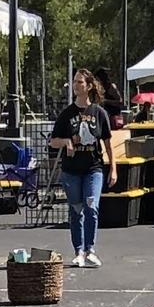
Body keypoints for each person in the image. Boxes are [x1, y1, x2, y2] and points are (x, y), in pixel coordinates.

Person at [49, 70, 112, 265]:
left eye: (80, 82)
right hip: (72, 170)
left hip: (94, 168)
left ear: (89, 86)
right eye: (74, 82)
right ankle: (79, 251)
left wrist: (113, 168)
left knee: (91, 206)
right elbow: (53, 141)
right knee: (76, 209)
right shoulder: (67, 114)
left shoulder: (99, 113)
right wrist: (66, 142)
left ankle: (90, 249)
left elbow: (107, 143)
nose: (76, 86)